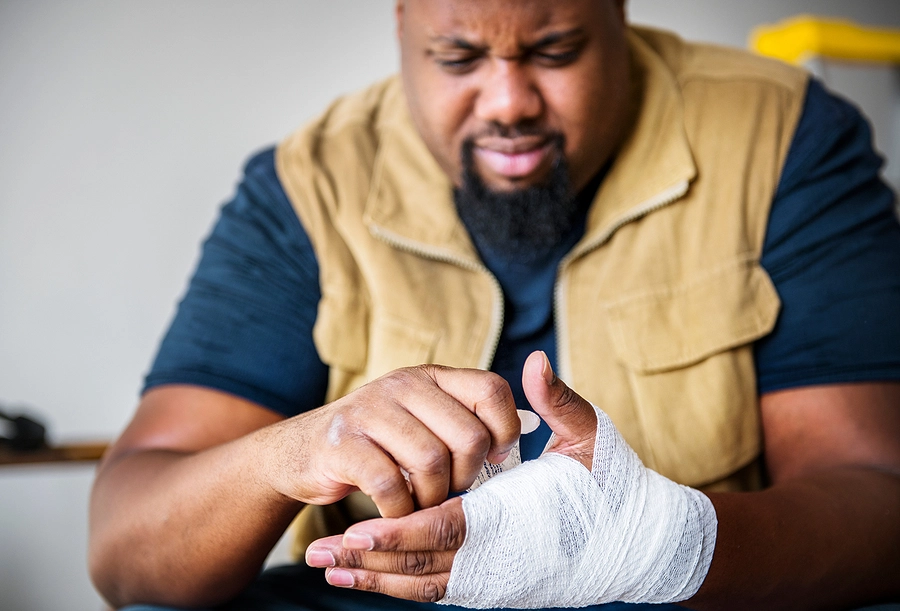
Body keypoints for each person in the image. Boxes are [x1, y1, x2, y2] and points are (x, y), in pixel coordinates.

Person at [88, 1, 900, 609]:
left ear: (618, 16)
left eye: (554, 50)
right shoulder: (311, 184)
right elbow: (124, 546)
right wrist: (287, 454)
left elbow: (875, 496)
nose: (509, 101)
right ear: (403, 26)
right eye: (458, 56)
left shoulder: (779, 135)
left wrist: (655, 541)